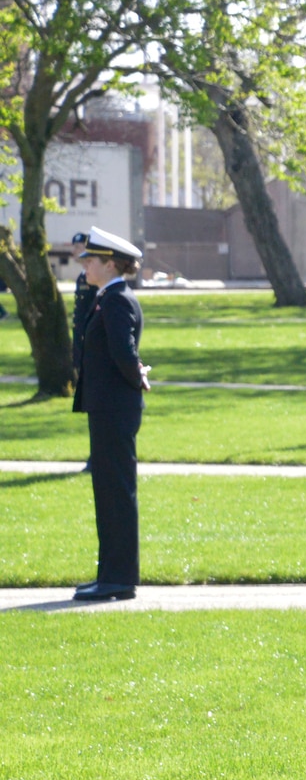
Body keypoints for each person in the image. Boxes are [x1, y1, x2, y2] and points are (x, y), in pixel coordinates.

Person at [71, 227, 149, 602]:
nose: (84, 264)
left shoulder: (116, 299)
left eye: (91, 260)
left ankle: (118, 578)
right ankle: (110, 575)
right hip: (108, 407)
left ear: (111, 264)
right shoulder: (106, 296)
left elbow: (123, 350)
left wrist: (137, 376)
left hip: (114, 408)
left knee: (115, 493)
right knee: (108, 492)